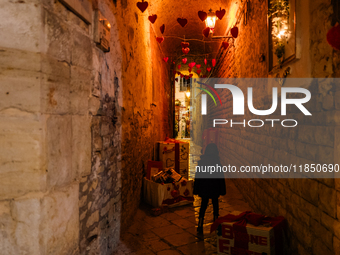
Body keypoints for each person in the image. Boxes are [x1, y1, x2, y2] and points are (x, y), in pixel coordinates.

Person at [193, 143, 226, 234]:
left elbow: (198, 177)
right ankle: (216, 223)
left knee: (203, 205)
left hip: (204, 188)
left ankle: (200, 224)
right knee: (215, 205)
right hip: (214, 188)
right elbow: (220, 178)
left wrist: (196, 189)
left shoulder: (201, 162)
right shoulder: (217, 163)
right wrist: (222, 190)